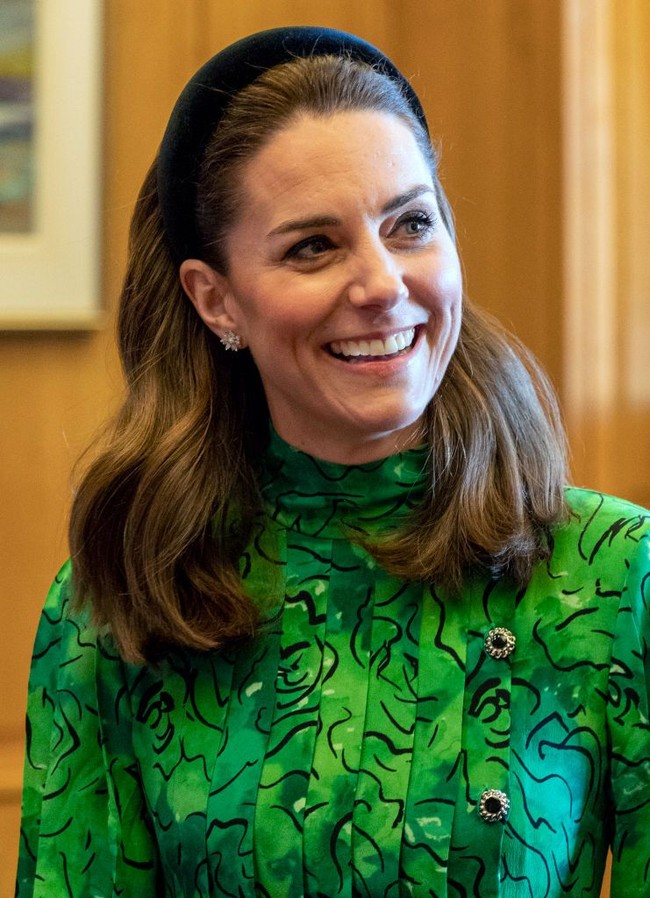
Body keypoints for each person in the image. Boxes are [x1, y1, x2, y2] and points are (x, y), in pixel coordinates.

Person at [16, 25, 649, 898]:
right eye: (313, 246)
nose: (384, 283)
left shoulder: (616, 575)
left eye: (411, 224)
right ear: (215, 299)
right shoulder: (120, 599)